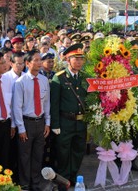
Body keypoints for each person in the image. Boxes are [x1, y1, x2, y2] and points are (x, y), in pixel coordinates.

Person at [50, 43, 88, 188]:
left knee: (78, 151)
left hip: (80, 122)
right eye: (75, 59)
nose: (79, 62)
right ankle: (63, 180)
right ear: (68, 60)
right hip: (65, 122)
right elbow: (54, 104)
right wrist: (55, 124)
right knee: (63, 153)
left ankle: (73, 176)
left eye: (81, 59)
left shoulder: (84, 78)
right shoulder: (59, 78)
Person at [13, 50, 51, 190]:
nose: (40, 62)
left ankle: (35, 184)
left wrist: (47, 122)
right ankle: (24, 184)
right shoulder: (20, 82)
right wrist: (21, 128)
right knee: (24, 156)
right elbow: (17, 107)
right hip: (26, 123)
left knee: (37, 155)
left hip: (40, 122)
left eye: (40, 59)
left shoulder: (44, 80)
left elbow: (46, 103)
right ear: (27, 63)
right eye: (36, 60)